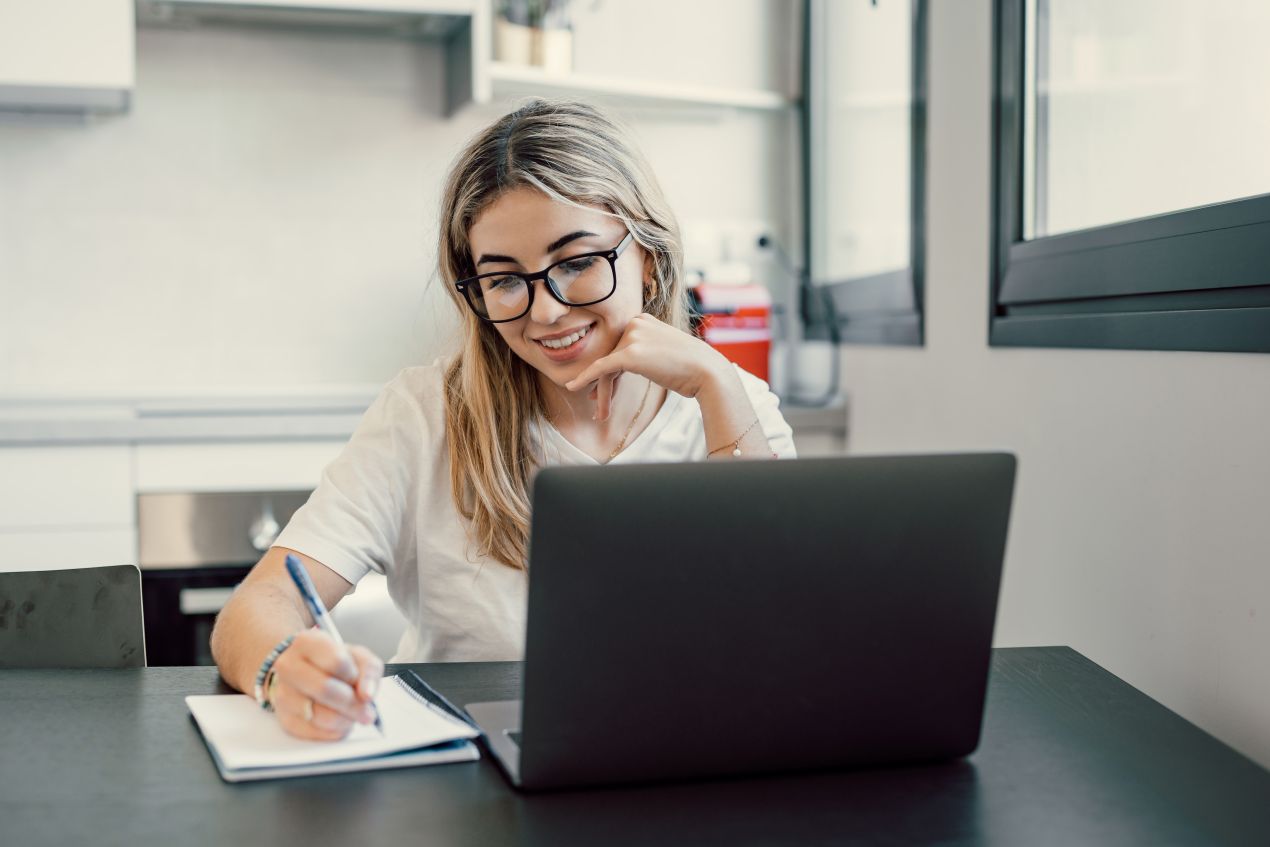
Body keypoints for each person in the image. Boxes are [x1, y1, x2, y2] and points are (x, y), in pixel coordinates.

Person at [210, 99, 796, 741]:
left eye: (576, 263)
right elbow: (256, 608)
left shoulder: (733, 405)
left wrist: (715, 379)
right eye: (505, 280)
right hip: (462, 775)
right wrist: (281, 667)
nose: (544, 312)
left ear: (648, 258)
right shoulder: (423, 414)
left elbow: (778, 628)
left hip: (678, 762)